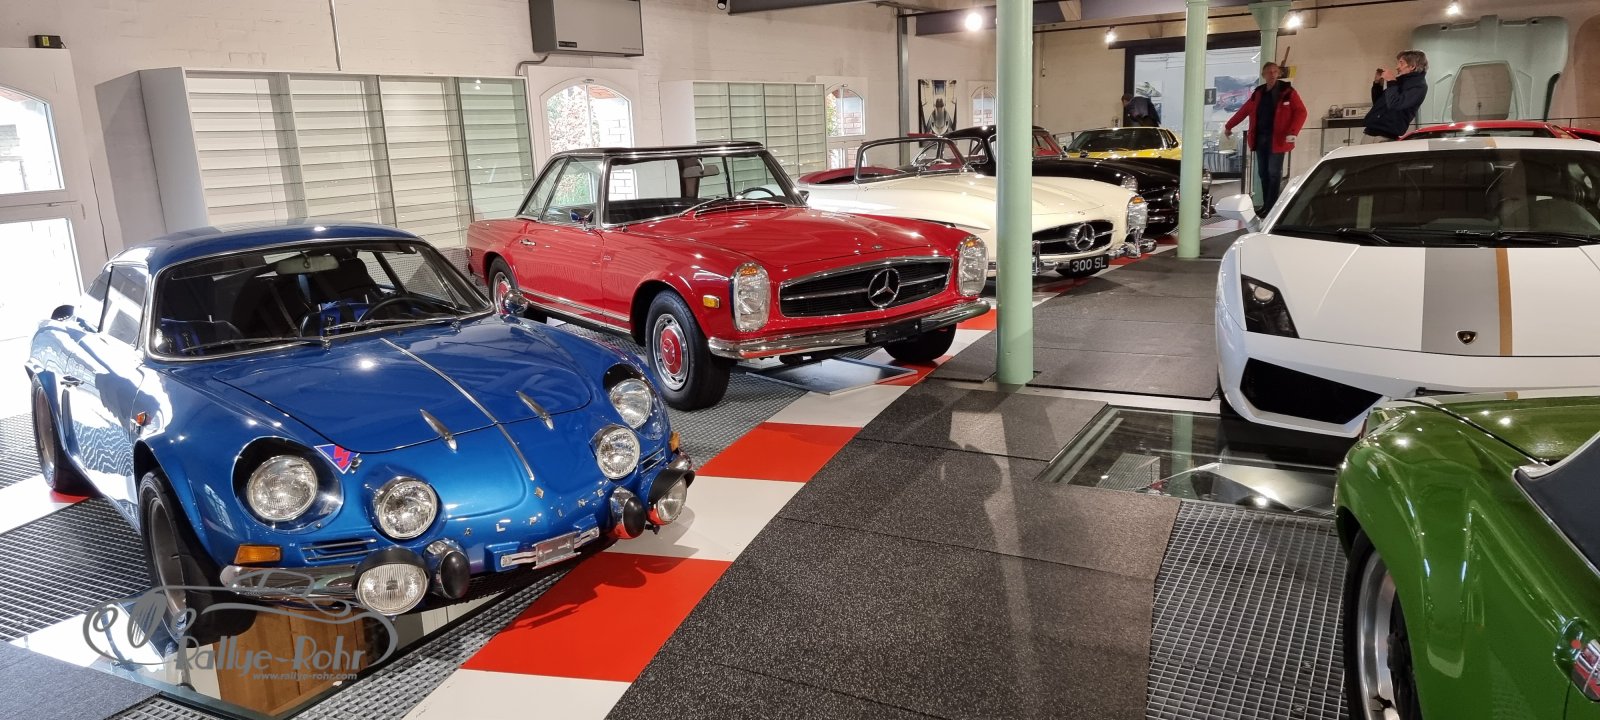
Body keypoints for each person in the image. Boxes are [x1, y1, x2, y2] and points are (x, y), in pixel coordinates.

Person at [1223, 62, 1307, 212]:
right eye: (1269, 72)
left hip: (1278, 140)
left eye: (1275, 71)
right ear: (1264, 75)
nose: (1272, 74)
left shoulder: (1287, 91)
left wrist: (1293, 132)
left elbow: (1301, 112)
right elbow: (1244, 110)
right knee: (1263, 173)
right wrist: (1229, 126)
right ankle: (1267, 206)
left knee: (1274, 173)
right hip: (1260, 139)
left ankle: (1272, 208)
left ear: (1279, 73)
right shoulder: (1258, 93)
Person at [1363, 50, 1428, 141]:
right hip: (1370, 132)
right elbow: (1378, 104)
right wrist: (1378, 84)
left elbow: (1395, 104)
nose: (1397, 67)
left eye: (1401, 63)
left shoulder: (1418, 86)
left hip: (1385, 136)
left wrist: (1391, 81)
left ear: (1412, 66)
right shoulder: (1400, 81)